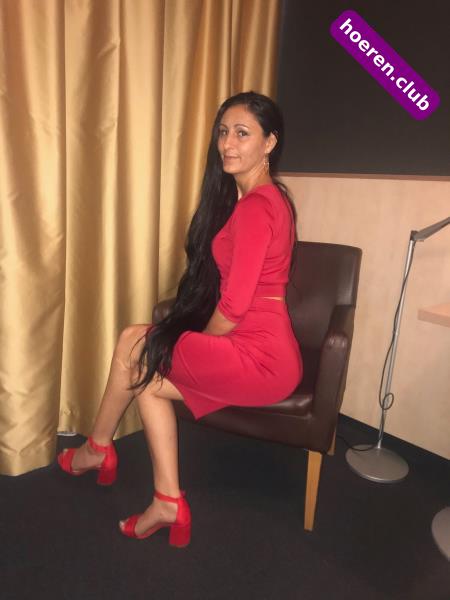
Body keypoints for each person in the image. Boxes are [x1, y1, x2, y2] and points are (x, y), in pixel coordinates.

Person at [57, 91, 303, 548]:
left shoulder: (257, 206)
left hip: (259, 357)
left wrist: (196, 347)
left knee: (134, 342)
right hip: (264, 350)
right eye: (223, 132)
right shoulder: (269, 200)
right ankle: (166, 500)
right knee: (148, 380)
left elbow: (233, 308)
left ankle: (96, 449)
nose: (228, 144)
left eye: (243, 133)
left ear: (269, 143)